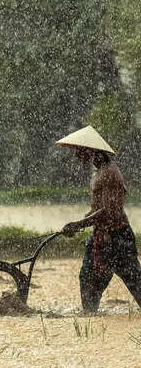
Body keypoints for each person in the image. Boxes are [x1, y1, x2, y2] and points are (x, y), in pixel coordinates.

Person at [57, 125, 141, 312]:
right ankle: (90, 318)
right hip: (104, 237)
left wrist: (79, 224)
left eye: (79, 151)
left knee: (133, 282)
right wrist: (79, 223)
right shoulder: (99, 172)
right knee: (90, 280)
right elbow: (97, 209)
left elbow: (108, 211)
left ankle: (89, 317)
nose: (77, 156)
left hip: (116, 237)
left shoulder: (110, 173)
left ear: (90, 150)